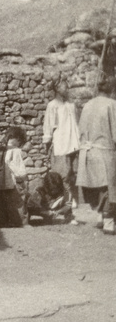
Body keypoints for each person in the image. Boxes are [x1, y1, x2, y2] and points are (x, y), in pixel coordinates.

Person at [76, 75, 116, 235]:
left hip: (88, 151)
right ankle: (108, 221)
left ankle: (100, 217)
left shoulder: (87, 105)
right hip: (104, 151)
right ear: (112, 90)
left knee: (96, 187)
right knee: (108, 186)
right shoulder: (112, 105)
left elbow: (81, 129)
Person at [42, 78, 80, 209]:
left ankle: (72, 199)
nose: (67, 89)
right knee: (61, 175)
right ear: (57, 89)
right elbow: (48, 127)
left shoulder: (71, 105)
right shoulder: (52, 106)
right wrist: (47, 144)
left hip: (74, 144)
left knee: (73, 174)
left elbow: (76, 124)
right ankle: (61, 201)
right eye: (65, 87)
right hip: (61, 145)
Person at [0, 126, 29, 228]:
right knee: (18, 201)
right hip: (12, 180)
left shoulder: (0, 149)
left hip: (0, 180)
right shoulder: (15, 151)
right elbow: (16, 165)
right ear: (18, 140)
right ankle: (20, 222)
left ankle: (1, 221)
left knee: (0, 201)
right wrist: (22, 176)